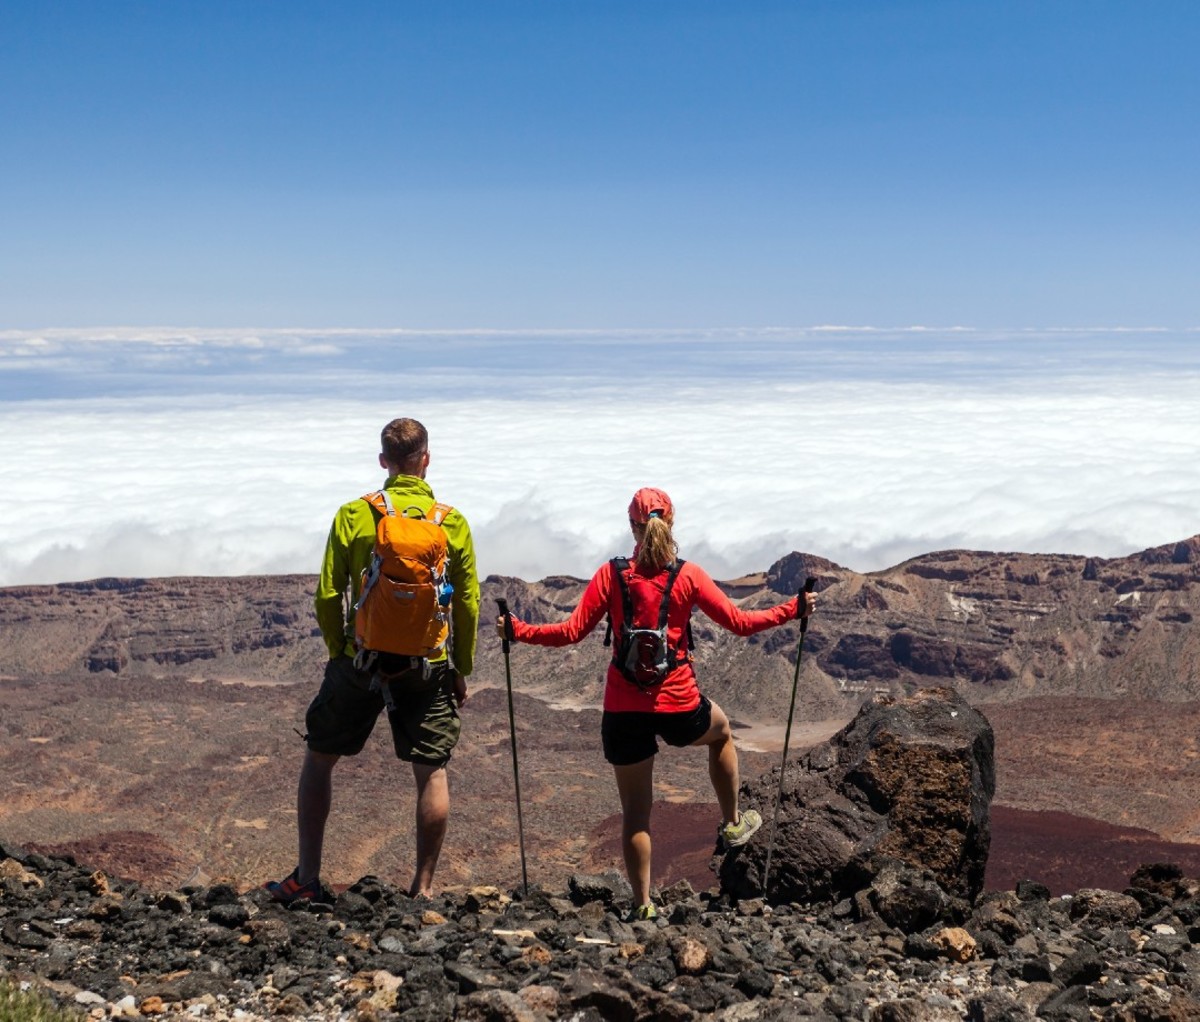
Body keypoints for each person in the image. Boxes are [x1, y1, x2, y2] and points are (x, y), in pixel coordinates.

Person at [496, 486, 814, 920]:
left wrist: (518, 630)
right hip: (679, 704)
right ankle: (733, 823)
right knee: (721, 733)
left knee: (636, 815)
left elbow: (570, 632)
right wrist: (793, 609)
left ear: (632, 526)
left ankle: (643, 906)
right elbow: (740, 623)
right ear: (672, 523)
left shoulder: (612, 574)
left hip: (624, 711)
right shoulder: (688, 576)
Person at [267, 417, 480, 901]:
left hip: (358, 661)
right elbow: (467, 603)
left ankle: (307, 878)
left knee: (320, 760)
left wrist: (341, 650)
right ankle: (422, 890)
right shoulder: (452, 522)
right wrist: (459, 668)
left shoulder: (353, 515)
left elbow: (327, 595)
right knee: (431, 769)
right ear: (426, 459)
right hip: (427, 667)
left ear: (383, 461)